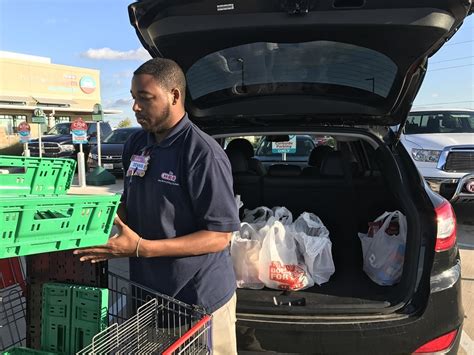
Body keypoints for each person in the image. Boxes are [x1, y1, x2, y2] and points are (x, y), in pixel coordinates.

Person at [74, 57, 240, 354]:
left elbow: (219, 236)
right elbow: (132, 202)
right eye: (134, 98)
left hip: (199, 300)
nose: (135, 107)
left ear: (174, 95)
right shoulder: (137, 144)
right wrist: (96, 219)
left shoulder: (202, 154)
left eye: (145, 98)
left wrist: (141, 248)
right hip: (148, 297)